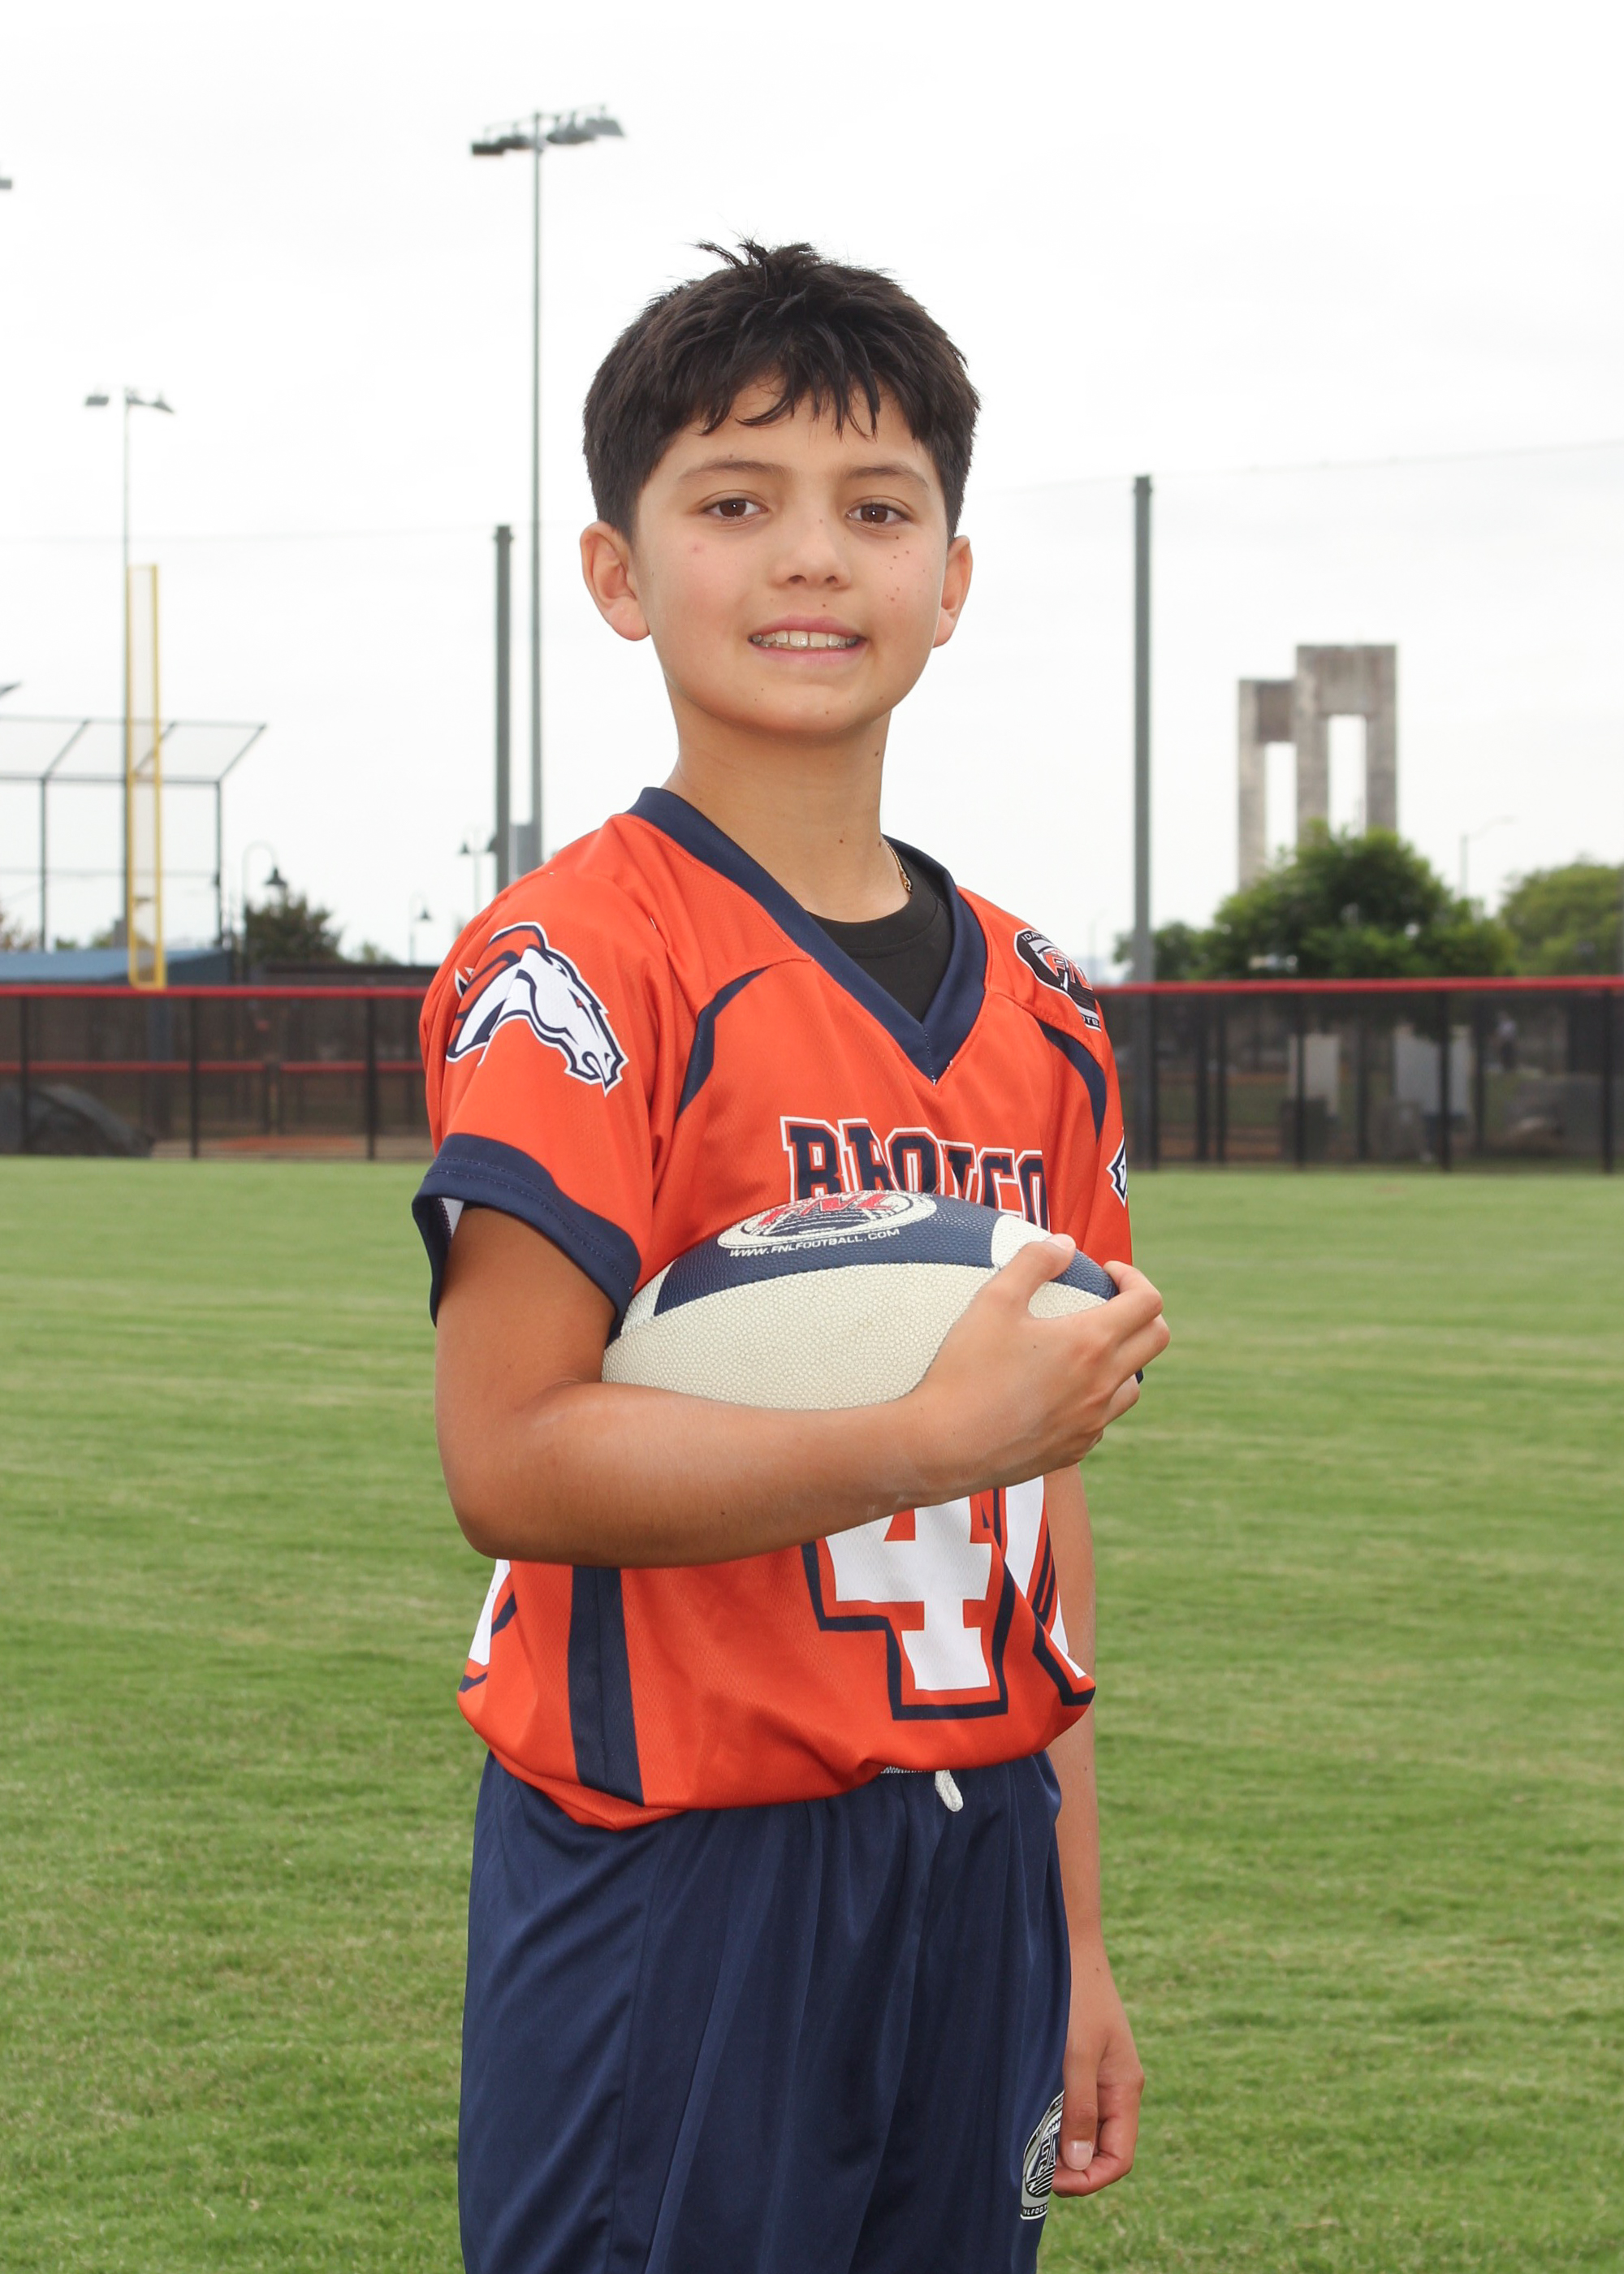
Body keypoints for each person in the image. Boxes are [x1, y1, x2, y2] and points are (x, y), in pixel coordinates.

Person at [413, 241, 1171, 2274]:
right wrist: (927, 1436)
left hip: (977, 1854)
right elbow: (509, 1451)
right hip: (683, 1857)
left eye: (877, 507)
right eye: (735, 501)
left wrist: (1077, 1930)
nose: (812, 555)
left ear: (953, 575)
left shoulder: (1043, 1004)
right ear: (617, 571)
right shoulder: (580, 960)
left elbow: (1038, 1505)